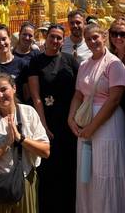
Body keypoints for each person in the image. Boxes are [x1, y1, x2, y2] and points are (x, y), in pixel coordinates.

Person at [68, 23, 125, 213]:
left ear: (104, 37)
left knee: (105, 170)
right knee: (87, 172)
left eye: (95, 37)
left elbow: (114, 100)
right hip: (86, 118)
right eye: (88, 39)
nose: (92, 42)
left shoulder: (114, 64)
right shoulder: (84, 64)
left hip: (108, 122)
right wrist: (70, 119)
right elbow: (78, 95)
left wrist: (92, 128)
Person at [0, 73, 50, 213]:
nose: (0, 95)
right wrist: (6, 144)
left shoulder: (28, 113)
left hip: (24, 182)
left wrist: (20, 139)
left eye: (4, 90)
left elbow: (45, 151)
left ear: (14, 88)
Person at [28, 24, 78, 212]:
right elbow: (36, 97)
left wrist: (72, 118)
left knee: (68, 167)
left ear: (63, 41)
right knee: (47, 168)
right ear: (46, 38)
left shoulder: (70, 61)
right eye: (52, 37)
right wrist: (43, 126)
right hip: (46, 119)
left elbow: (79, 92)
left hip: (68, 121)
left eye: (59, 38)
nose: (55, 41)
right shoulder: (36, 61)